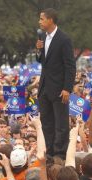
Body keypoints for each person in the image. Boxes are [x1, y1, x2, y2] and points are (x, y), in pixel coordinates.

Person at [36, 8, 76, 158]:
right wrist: (38, 51)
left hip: (59, 89)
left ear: (50, 20)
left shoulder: (64, 39)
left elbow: (70, 65)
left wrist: (67, 88)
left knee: (61, 124)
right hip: (44, 87)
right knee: (46, 122)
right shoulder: (43, 37)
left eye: (42, 19)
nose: (39, 22)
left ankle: (60, 154)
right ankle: (49, 152)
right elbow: (42, 61)